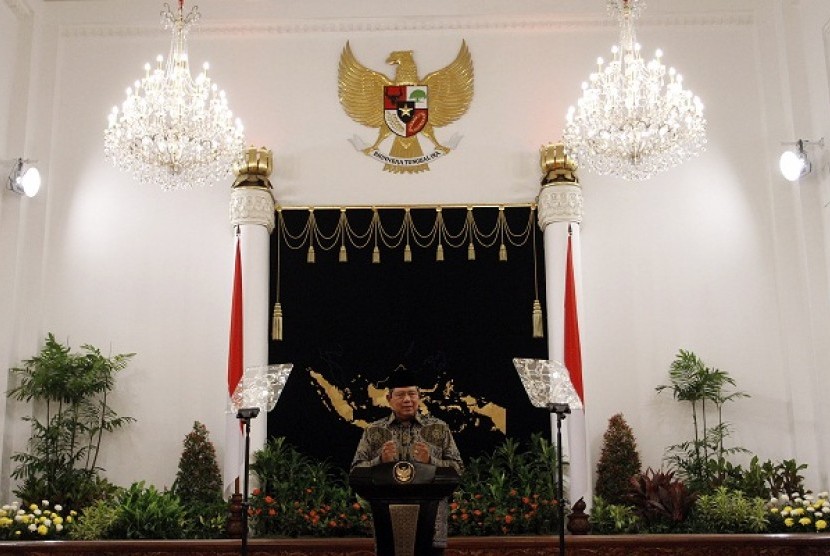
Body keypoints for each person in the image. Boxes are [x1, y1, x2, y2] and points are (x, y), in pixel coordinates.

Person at [351, 365, 463, 556]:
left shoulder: (439, 428)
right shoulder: (374, 430)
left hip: (431, 520)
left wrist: (431, 460)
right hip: (387, 521)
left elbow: (458, 470)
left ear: (419, 396)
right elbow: (355, 472)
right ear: (389, 399)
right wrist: (379, 461)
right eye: (401, 395)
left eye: (412, 394)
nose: (407, 400)